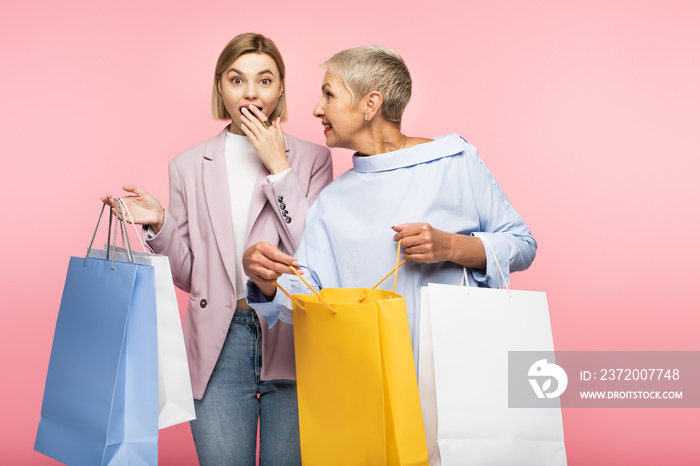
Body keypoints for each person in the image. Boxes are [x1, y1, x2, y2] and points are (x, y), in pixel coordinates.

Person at [102, 33, 333, 465]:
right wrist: (160, 224)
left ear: (281, 87)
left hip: (295, 337)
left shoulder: (312, 159)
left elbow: (318, 256)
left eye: (264, 80)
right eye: (236, 80)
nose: (250, 93)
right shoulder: (187, 165)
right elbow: (192, 276)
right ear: (219, 87)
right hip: (219, 343)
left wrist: (279, 166)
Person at [242, 45, 536, 367]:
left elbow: (522, 245)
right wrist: (266, 280)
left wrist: (451, 245)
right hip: (371, 374)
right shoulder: (333, 199)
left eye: (329, 95)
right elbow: (313, 298)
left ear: (370, 104)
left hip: (457, 367)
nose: (317, 109)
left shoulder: (454, 161)